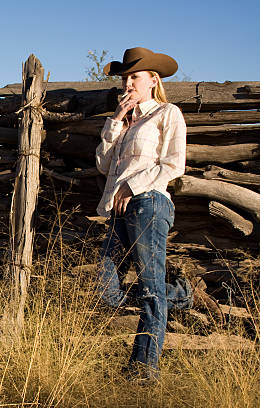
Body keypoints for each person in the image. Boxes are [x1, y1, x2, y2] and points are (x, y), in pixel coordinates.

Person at [95, 47, 192, 381]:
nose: (127, 82)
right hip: (118, 211)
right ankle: (178, 294)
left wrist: (132, 186)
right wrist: (115, 122)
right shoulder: (122, 124)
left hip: (149, 203)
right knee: (105, 291)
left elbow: (174, 164)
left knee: (149, 288)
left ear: (153, 80)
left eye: (134, 76)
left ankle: (143, 368)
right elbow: (104, 166)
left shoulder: (167, 114)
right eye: (124, 77)